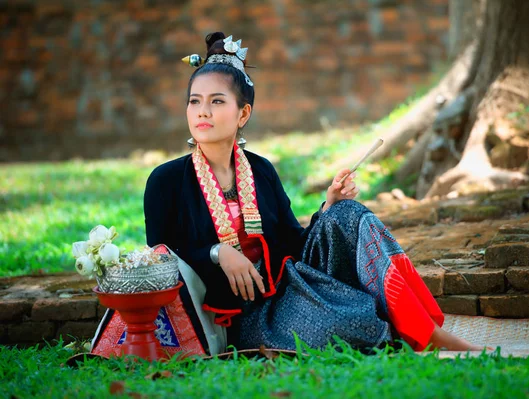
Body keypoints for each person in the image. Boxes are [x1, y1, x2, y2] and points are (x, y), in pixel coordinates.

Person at [92, 32, 483, 358]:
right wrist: (216, 251)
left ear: (242, 114)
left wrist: (328, 206)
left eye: (216, 101)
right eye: (195, 101)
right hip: (236, 316)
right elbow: (160, 254)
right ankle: (389, 329)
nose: (202, 112)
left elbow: (293, 241)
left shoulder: (260, 169)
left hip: (286, 286)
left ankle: (428, 333)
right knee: (356, 324)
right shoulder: (166, 180)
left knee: (350, 214)